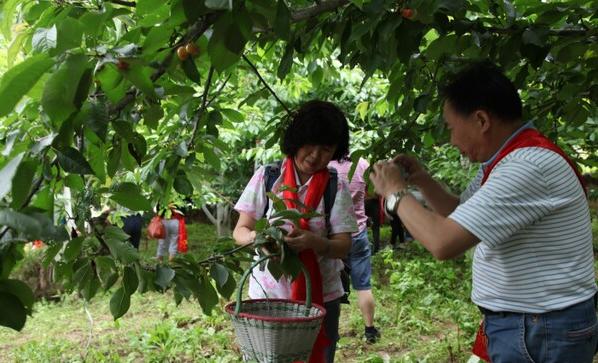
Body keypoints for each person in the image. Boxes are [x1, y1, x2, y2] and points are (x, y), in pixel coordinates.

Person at [369, 60, 597, 362]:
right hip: (533, 325)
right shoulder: (505, 159)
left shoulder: (526, 166)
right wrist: (422, 180)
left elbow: (443, 242)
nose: (451, 140)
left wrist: (395, 194)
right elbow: (461, 213)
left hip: (541, 329)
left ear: (481, 120)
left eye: (451, 128)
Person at [233, 100, 358, 363]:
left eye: (325, 149)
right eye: (309, 145)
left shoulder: (335, 186)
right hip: (268, 297)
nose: (315, 156)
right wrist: (260, 239)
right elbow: (240, 230)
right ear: (296, 140)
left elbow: (343, 245)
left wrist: (316, 243)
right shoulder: (268, 178)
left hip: (320, 298)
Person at [328, 157, 380, 343]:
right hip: (358, 232)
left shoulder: (327, 166)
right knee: (363, 286)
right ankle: (370, 331)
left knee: (331, 285)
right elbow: (373, 193)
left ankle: (332, 332)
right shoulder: (363, 164)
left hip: (333, 236)